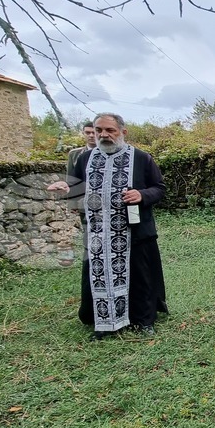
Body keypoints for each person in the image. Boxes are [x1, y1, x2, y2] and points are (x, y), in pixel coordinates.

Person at [62, 113, 168, 338]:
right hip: (98, 233)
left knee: (140, 277)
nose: (103, 135)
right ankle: (104, 322)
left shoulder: (141, 158)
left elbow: (159, 188)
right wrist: (66, 192)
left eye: (110, 130)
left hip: (134, 232)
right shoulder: (85, 159)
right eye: (99, 130)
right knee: (100, 275)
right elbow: (76, 189)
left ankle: (143, 321)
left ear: (123, 132)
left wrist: (141, 194)